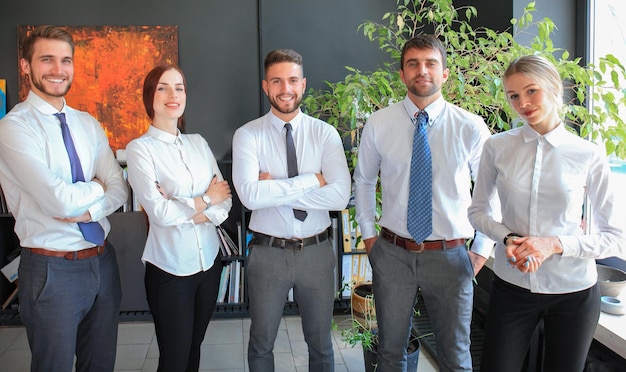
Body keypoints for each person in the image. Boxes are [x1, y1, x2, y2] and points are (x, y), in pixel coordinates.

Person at [468, 54, 626, 372]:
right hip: (511, 286)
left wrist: (553, 244)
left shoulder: (588, 154)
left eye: (531, 91)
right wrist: (507, 237)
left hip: (574, 291)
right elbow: (478, 211)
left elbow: (615, 238)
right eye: (513, 95)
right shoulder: (497, 147)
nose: (522, 102)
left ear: (553, 88)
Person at [353, 34, 495, 372]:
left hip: (451, 255)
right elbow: (363, 180)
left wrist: (482, 248)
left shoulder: (471, 127)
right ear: (402, 74)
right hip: (392, 253)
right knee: (390, 353)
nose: (422, 71)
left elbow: (492, 190)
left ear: (445, 73)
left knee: (455, 357)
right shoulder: (378, 123)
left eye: (431, 63)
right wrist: (370, 237)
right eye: (413, 64)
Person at [0, 25, 128, 371]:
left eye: (65, 60)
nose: (58, 69)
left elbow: (120, 187)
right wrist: (98, 188)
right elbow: (59, 201)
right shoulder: (15, 127)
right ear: (26, 66)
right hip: (51, 269)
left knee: (100, 364)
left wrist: (88, 207)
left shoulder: (87, 123)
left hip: (102, 262)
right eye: (47, 59)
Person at [232, 49, 351, 371]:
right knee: (261, 343)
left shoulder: (324, 134)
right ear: (265, 86)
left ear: (303, 84)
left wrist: (275, 188)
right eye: (277, 81)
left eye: (293, 80)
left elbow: (340, 197)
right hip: (268, 254)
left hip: (316, 251)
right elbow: (249, 197)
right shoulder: (248, 135)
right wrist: (313, 180)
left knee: (321, 344)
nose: (286, 88)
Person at [126, 64, 232, 371]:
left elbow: (225, 202)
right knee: (173, 358)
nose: (173, 95)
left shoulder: (198, 143)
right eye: (163, 87)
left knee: (193, 351)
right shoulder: (140, 150)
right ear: (150, 97)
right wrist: (206, 200)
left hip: (208, 265)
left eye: (179, 88)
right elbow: (159, 213)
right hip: (170, 271)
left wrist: (187, 207)